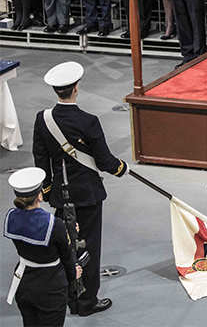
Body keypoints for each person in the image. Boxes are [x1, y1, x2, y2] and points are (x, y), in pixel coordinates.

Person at [32, 61, 129, 317]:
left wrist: (49, 188)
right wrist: (123, 168)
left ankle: (69, 296)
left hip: (60, 197)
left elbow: (40, 159)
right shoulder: (88, 121)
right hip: (87, 196)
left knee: (66, 246)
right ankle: (86, 302)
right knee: (89, 247)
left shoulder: (43, 120)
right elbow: (106, 162)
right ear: (76, 88)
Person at [4, 167, 81, 327]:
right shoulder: (54, 224)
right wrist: (74, 273)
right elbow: (66, 256)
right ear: (39, 195)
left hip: (23, 282)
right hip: (50, 287)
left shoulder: (11, 217)